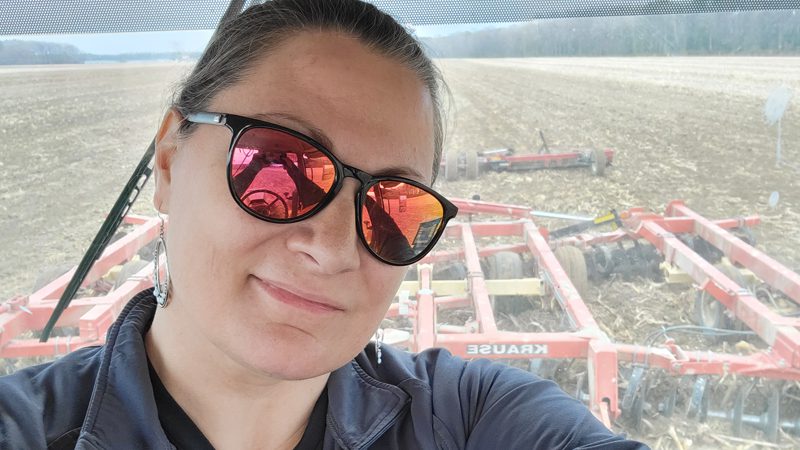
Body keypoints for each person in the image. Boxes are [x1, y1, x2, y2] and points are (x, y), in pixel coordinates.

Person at [0, 1, 649, 449]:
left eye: (395, 206)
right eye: (279, 166)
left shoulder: (470, 418)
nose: (334, 249)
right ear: (169, 160)